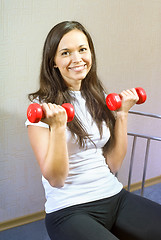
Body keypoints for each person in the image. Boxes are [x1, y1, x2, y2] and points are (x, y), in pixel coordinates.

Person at [25, 21, 161, 240]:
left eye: (82, 49)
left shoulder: (97, 97)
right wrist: (59, 127)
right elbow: (56, 180)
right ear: (54, 62)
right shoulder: (43, 110)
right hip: (69, 210)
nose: (77, 59)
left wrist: (122, 114)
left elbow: (113, 164)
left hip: (114, 196)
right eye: (66, 52)